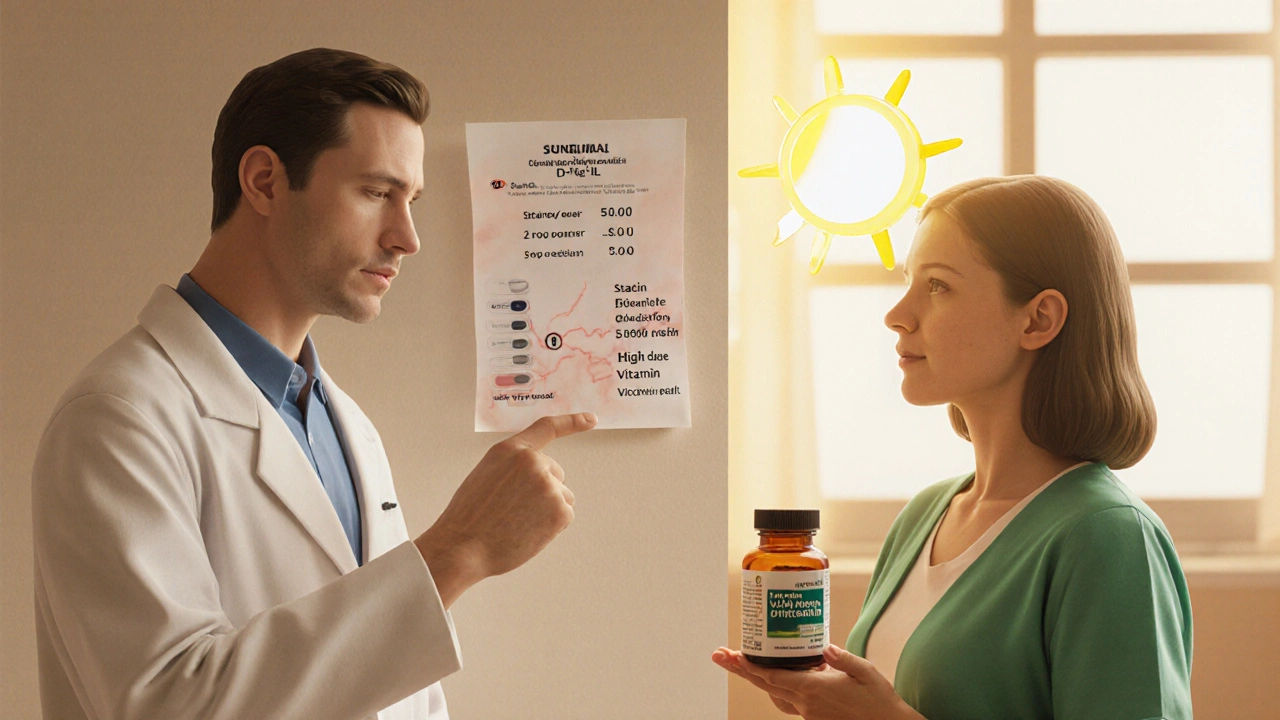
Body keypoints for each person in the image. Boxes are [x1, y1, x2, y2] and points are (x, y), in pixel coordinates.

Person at [32, 48, 596, 720]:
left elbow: (400, 690)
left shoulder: (345, 424)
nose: (407, 237)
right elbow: (170, 705)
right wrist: (459, 550)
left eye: (410, 200)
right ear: (266, 182)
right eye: (376, 192)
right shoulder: (119, 418)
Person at [713, 175, 1193, 719]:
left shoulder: (1108, 536)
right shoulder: (925, 514)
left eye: (937, 286)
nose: (897, 314)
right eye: (909, 281)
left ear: (1038, 319)